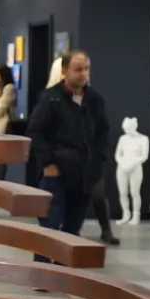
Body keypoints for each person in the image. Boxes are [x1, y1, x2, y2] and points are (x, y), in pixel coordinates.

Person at [27, 50, 116, 252]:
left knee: (72, 229)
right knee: (49, 226)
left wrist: (97, 162)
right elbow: (35, 132)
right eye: (78, 69)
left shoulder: (95, 100)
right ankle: (43, 268)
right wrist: (48, 164)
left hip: (84, 175)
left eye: (86, 69)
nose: (83, 74)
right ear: (65, 70)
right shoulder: (50, 99)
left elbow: (103, 132)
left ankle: (64, 269)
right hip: (55, 174)